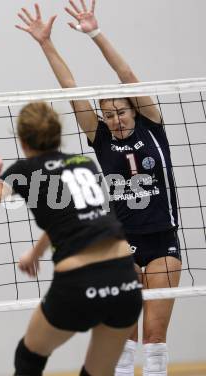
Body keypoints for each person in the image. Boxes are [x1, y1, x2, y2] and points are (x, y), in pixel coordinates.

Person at [15, 2, 181, 375]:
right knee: (124, 340)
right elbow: (71, 87)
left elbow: (125, 73)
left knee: (155, 340)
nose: (116, 118)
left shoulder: (151, 123)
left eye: (121, 111)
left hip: (162, 240)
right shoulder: (100, 136)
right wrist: (46, 43)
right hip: (120, 244)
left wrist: (94, 33)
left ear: (133, 109)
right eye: (109, 113)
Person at [0, 101, 143, 376]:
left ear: (22, 139)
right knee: (98, 372)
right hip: (125, 278)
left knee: (28, 357)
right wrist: (37, 252)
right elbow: (83, 218)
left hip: (79, 283)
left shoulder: (24, 170)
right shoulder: (84, 164)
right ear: (57, 133)